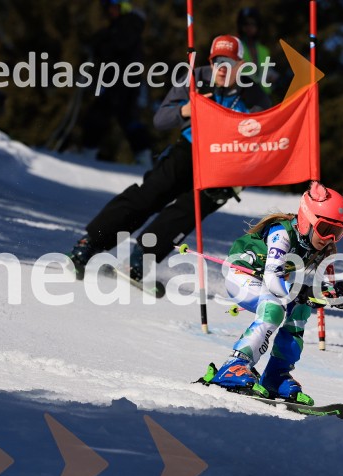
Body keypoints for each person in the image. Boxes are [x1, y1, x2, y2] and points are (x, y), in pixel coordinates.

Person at [67, 34, 271, 285]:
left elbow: (263, 137)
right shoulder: (197, 78)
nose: (221, 69)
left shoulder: (254, 97)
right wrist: (187, 109)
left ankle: (140, 258)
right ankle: (90, 243)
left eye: (229, 63)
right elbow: (160, 120)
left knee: (187, 210)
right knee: (149, 195)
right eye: (217, 62)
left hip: (225, 164)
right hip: (190, 147)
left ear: (241, 66)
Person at [199, 182, 343, 406]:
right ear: (307, 219)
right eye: (326, 230)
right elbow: (274, 281)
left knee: (302, 308)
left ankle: (276, 375)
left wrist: (339, 293)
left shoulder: (316, 246)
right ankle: (234, 366)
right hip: (241, 275)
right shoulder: (281, 233)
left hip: (266, 282)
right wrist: (303, 292)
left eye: (338, 233)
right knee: (273, 309)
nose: (329, 239)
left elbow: (317, 289)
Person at [80, 0, 152, 164]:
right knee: (122, 117)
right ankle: (143, 156)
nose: (110, 12)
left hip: (123, 81)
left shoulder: (129, 24)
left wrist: (100, 45)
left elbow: (118, 45)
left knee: (105, 115)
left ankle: (88, 153)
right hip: (117, 80)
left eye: (113, 7)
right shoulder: (118, 26)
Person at [236, 7, 278, 96]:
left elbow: (269, 72)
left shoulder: (264, 50)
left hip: (264, 97)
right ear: (240, 26)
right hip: (243, 97)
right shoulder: (236, 47)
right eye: (245, 24)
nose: (249, 27)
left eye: (253, 24)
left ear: (258, 26)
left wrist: (273, 77)